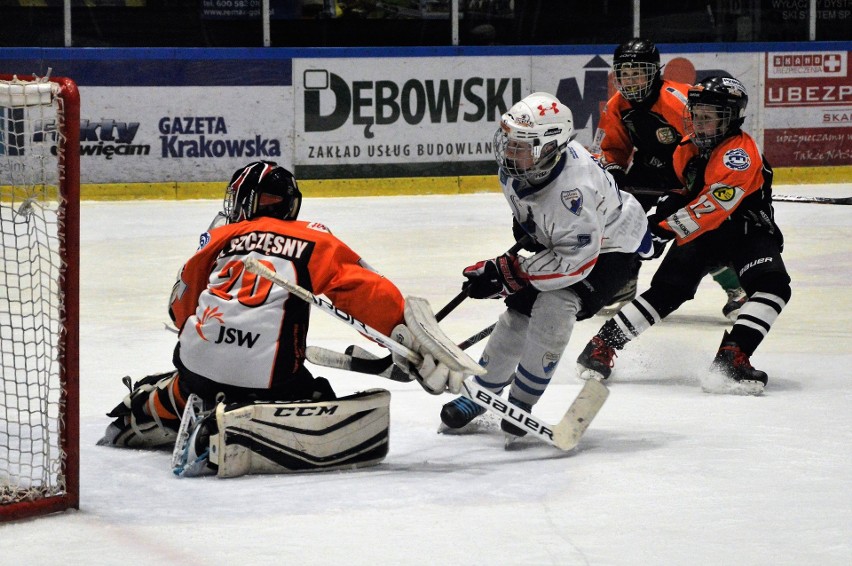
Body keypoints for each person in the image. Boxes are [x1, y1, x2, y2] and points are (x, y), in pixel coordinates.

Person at [98, 160, 472, 475]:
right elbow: (366, 294)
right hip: (271, 382)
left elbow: (180, 307)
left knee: (187, 381)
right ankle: (239, 420)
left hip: (196, 365)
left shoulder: (220, 237)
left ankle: (154, 406)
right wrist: (404, 339)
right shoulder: (314, 238)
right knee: (317, 394)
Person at [439, 92, 651, 438]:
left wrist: (511, 274)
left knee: (555, 306)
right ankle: (483, 391)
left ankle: (521, 403)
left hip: (611, 250)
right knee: (517, 314)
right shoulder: (519, 168)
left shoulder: (574, 193)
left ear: (550, 147)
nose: (509, 151)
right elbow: (531, 219)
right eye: (508, 140)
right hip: (573, 239)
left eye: (521, 145)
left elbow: (574, 263)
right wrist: (518, 257)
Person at [576, 76, 791, 396]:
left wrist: (662, 230)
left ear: (731, 117)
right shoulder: (685, 148)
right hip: (705, 235)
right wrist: (653, 221)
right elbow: (683, 194)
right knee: (666, 291)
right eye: (697, 115)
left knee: (773, 286)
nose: (700, 123)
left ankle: (733, 355)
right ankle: (602, 344)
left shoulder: (739, 155)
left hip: (747, 230)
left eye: (710, 117)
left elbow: (710, 207)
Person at [592, 38, 746, 319]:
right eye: (624, 73)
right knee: (621, 220)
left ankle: (737, 289)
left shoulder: (679, 101)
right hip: (648, 168)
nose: (630, 80)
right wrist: (613, 172)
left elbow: (711, 139)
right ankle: (624, 282)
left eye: (637, 72)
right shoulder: (617, 105)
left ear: (654, 72)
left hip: (688, 170)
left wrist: (704, 178)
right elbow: (613, 148)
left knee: (689, 228)